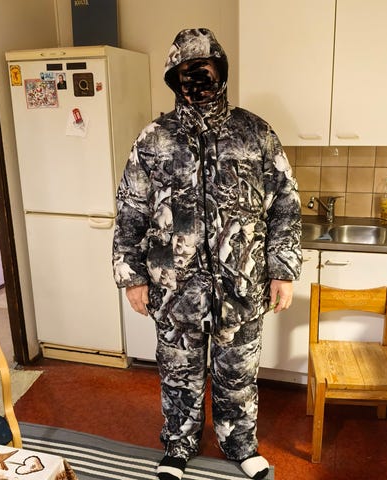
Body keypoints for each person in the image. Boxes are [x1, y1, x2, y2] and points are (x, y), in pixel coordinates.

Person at [113, 28, 302, 480]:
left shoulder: (255, 133)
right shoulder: (153, 139)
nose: (194, 80)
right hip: (175, 289)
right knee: (179, 374)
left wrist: (282, 269)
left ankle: (240, 445)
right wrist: (131, 276)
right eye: (184, 72)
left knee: (238, 374)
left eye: (204, 70)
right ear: (173, 78)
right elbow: (130, 210)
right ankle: (178, 446)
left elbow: (285, 204)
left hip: (242, 285)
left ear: (220, 72)